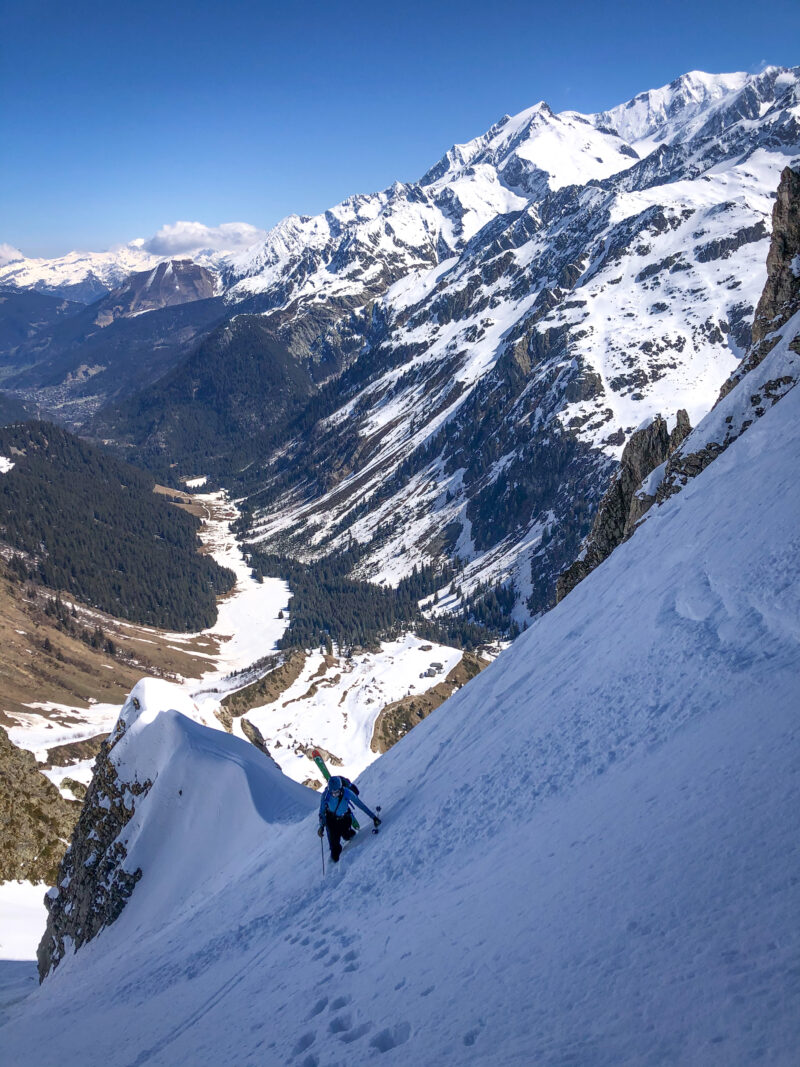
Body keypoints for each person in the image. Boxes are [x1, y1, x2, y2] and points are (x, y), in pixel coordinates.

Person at [318, 775, 381, 863]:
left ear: (341, 789)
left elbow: (360, 805)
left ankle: (348, 834)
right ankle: (335, 861)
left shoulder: (347, 793)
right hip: (331, 821)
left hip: (345, 819)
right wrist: (321, 826)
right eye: (333, 793)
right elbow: (322, 812)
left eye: (337, 792)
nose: (335, 794)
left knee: (347, 836)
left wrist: (373, 817)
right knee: (335, 850)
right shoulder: (325, 796)